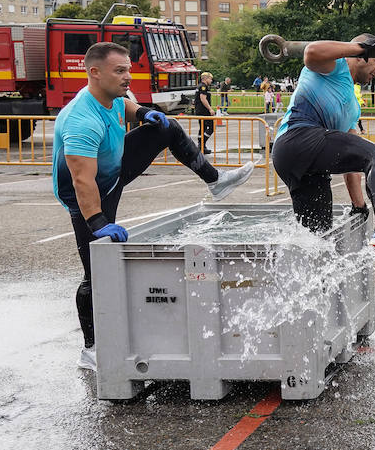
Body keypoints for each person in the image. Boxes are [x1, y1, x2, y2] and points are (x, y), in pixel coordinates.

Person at [55, 42, 254, 370]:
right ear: (94, 72)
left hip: (114, 167)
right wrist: (96, 221)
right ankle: (91, 348)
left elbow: (126, 107)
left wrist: (144, 113)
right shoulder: (81, 120)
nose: (128, 76)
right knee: (95, 271)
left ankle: (214, 180)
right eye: (120, 71)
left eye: (128, 69)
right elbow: (81, 181)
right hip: (87, 196)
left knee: (166, 127)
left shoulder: (112, 96)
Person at [271, 34, 375, 247]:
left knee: (316, 240)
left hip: (303, 164)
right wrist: (358, 47)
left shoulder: (353, 106)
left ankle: (311, 279)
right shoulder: (334, 66)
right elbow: (310, 52)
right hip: (297, 138)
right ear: (360, 56)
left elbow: (353, 160)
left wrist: (359, 206)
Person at [195, 72, 217, 154]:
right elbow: (203, 99)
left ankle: (202, 146)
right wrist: (210, 109)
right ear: (205, 78)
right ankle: (201, 144)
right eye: (210, 79)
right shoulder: (203, 87)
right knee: (211, 128)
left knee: (202, 128)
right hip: (203, 111)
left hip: (200, 110)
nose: (211, 80)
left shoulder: (200, 86)